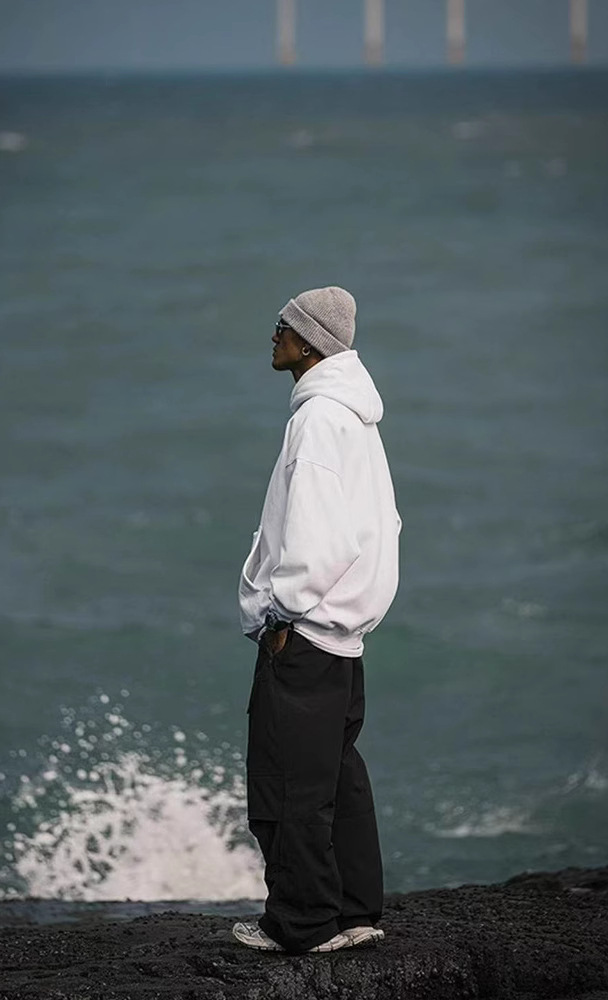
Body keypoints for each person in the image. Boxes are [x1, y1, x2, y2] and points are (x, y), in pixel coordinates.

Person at [231, 286, 401, 954]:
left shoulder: (316, 421)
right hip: (344, 637)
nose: (274, 335)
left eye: (284, 328)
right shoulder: (355, 417)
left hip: (304, 632)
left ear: (311, 344)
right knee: (336, 778)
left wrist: (283, 614)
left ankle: (301, 924)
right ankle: (355, 912)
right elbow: (381, 524)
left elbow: (311, 535)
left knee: (286, 787)